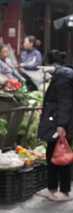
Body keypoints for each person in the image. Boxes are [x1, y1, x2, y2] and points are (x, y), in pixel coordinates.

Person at [36, 50, 73, 201]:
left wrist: (62, 125)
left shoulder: (63, 78)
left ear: (49, 64)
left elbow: (65, 103)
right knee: (51, 154)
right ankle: (51, 188)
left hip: (61, 124)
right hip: (55, 122)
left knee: (63, 156)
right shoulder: (59, 76)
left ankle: (64, 191)